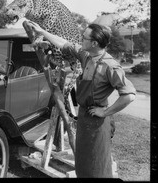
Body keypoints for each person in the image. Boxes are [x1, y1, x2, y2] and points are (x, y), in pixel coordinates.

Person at [27, 21, 136, 178]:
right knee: (83, 166)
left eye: (84, 37)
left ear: (94, 43)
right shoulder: (86, 55)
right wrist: (42, 31)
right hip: (85, 118)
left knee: (97, 168)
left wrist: (105, 112)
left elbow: (129, 95)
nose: (80, 40)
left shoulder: (110, 66)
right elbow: (64, 43)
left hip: (98, 124)